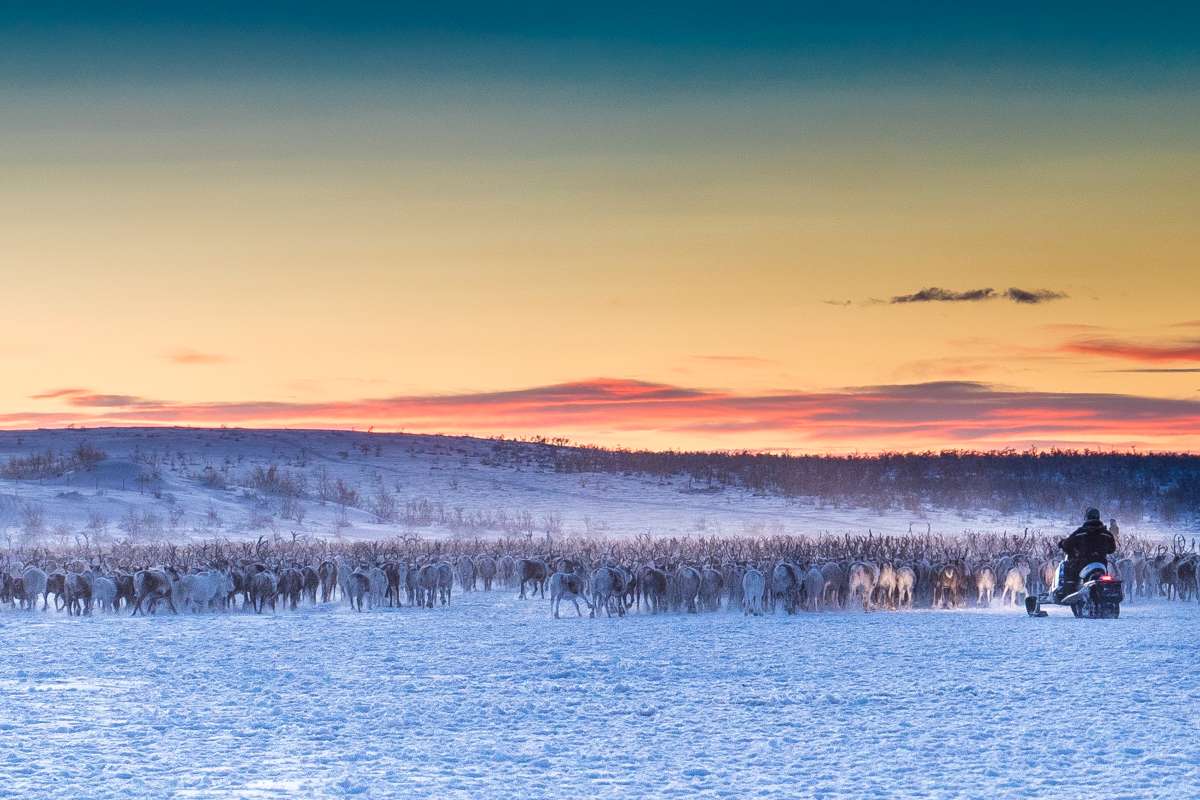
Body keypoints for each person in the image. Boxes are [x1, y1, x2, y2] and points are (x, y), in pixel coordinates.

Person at [1055, 508, 1116, 599]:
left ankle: (1068, 592)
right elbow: (1112, 549)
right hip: (1101, 564)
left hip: (1083, 563)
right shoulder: (1106, 534)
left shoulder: (1080, 532)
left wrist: (1062, 544)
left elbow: (1068, 544)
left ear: (1086, 517)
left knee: (1068, 568)